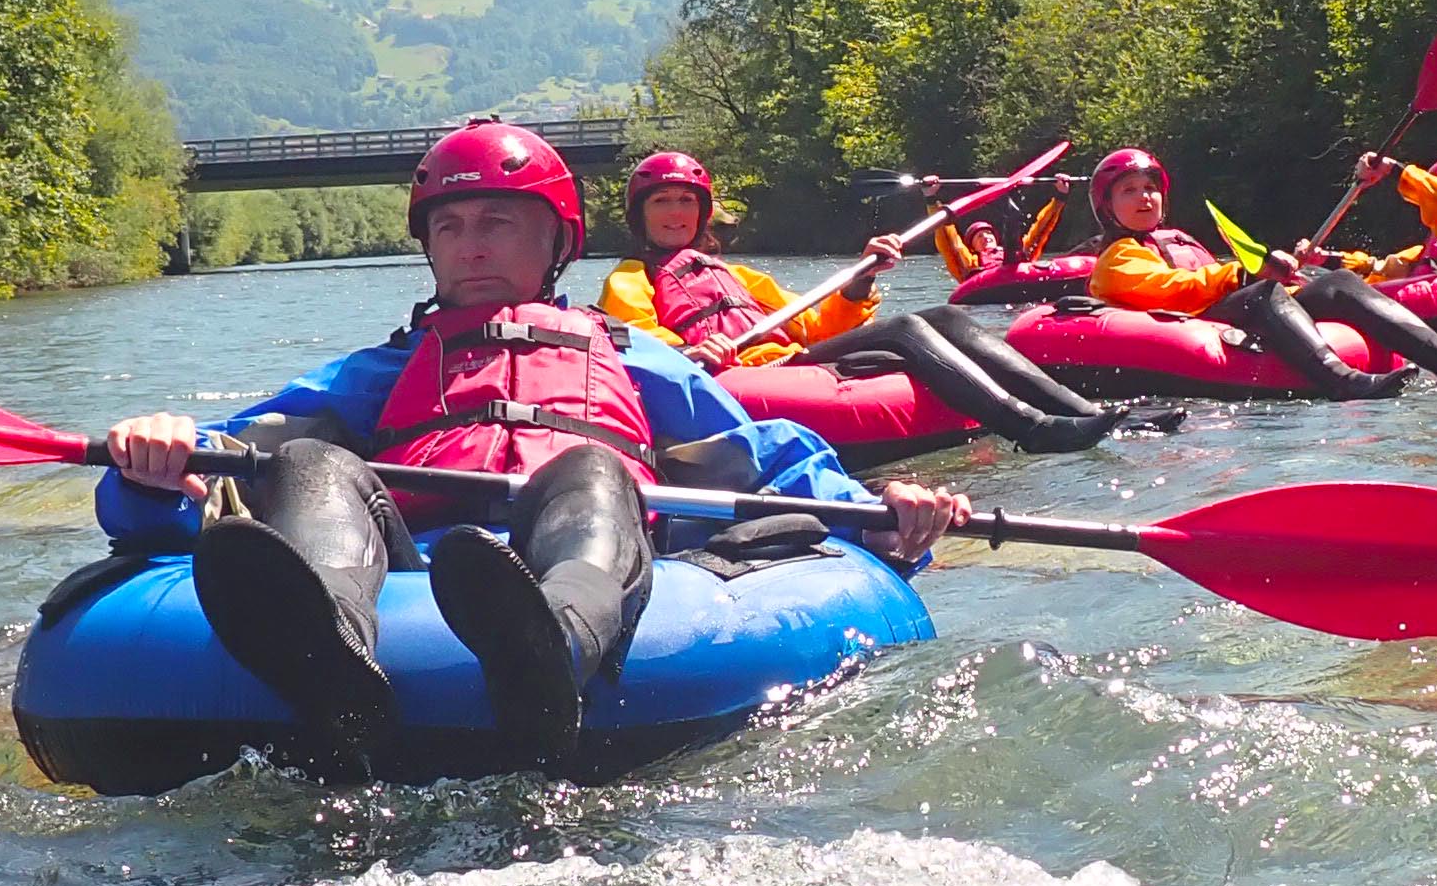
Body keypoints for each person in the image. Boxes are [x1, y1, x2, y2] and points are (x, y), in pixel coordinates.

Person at [101, 121, 965, 776]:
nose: (471, 242)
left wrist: (877, 516)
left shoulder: (628, 354)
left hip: (575, 557)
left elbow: (766, 455)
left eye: (501, 222)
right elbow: (233, 460)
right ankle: (327, 657)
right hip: (418, 568)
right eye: (450, 226)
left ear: (557, 242)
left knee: (587, 469)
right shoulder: (384, 369)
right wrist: (160, 463)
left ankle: (552, 651)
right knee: (311, 467)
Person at [600, 151, 1113, 454]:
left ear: (703, 212)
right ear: (640, 215)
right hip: (736, 376)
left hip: (789, 361)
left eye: (686, 201)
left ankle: (1081, 410)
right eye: (662, 202)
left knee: (946, 316)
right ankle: (1032, 429)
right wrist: (692, 351)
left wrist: (860, 281)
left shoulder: (738, 276)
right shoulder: (629, 278)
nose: (675, 213)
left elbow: (819, 324)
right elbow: (641, 346)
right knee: (907, 328)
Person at [1080, 148, 1437, 400]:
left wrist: (1294, 274)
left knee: (1337, 285)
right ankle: (1342, 380)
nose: (1144, 199)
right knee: (1261, 292)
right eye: (1129, 192)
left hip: (1224, 307)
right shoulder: (1118, 254)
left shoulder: (1176, 239)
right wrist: (1242, 275)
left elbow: (1214, 275)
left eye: (1149, 190)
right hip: (1201, 317)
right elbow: (1169, 290)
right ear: (1108, 206)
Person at [1308, 151, 1437, 282]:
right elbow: (1381, 268)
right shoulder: (1432, 249)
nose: (1427, 201)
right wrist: (1327, 258)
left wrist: (1394, 170)